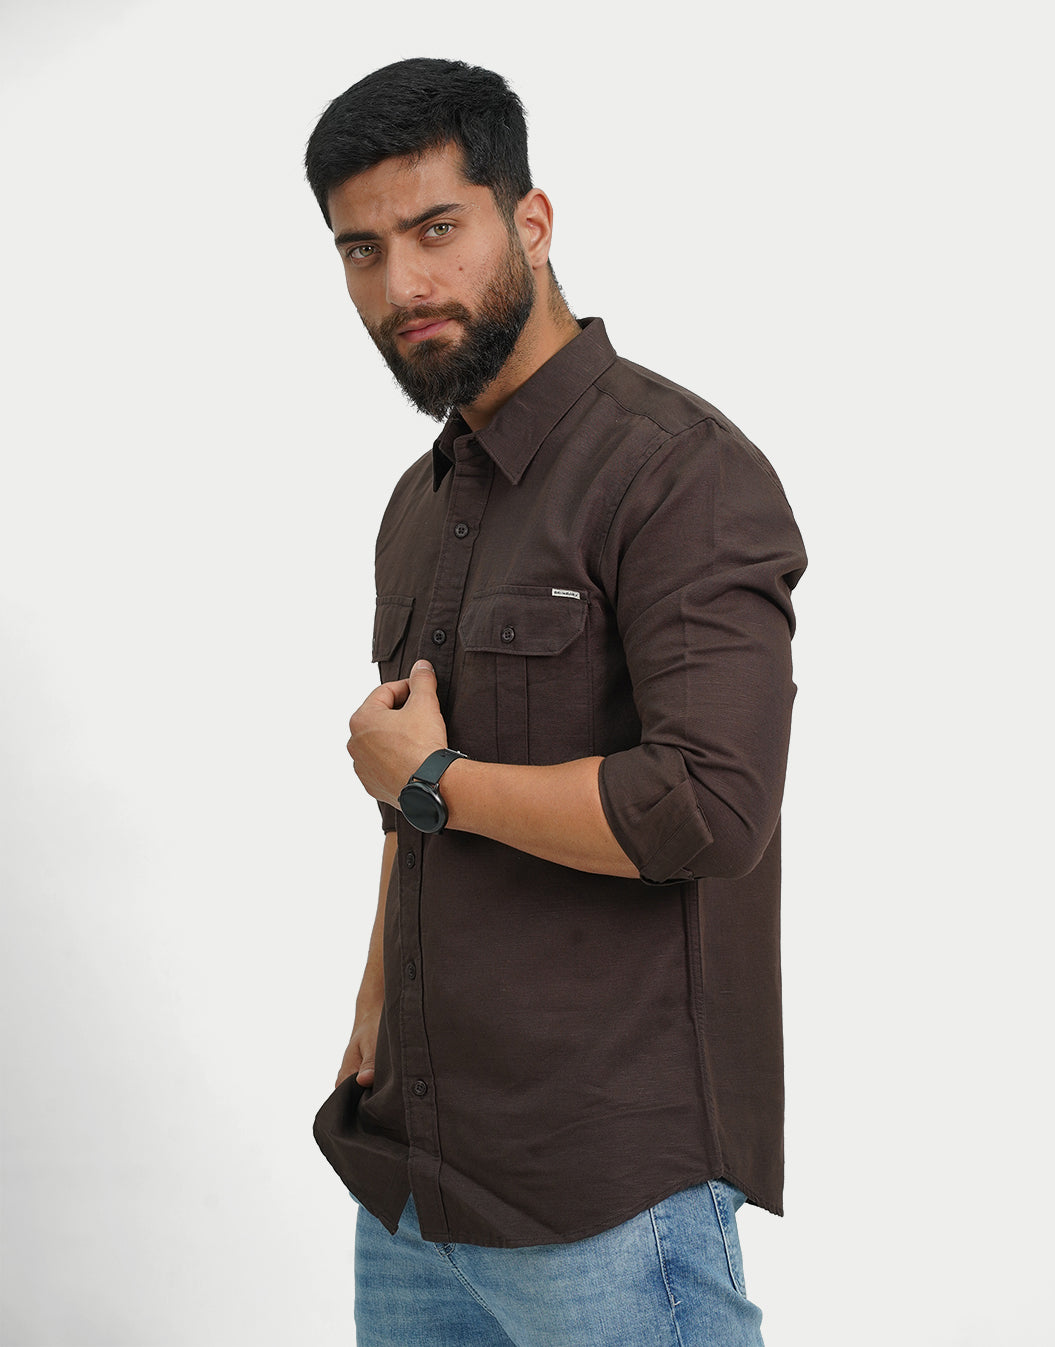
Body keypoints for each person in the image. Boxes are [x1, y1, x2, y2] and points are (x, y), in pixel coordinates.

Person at [305, 57, 806, 1347]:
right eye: (362, 250)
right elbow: (410, 782)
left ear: (529, 221)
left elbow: (709, 807)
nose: (402, 287)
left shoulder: (680, 473)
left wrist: (435, 782)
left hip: (607, 1197)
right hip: (414, 1175)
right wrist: (376, 987)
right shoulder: (418, 504)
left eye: (436, 230)